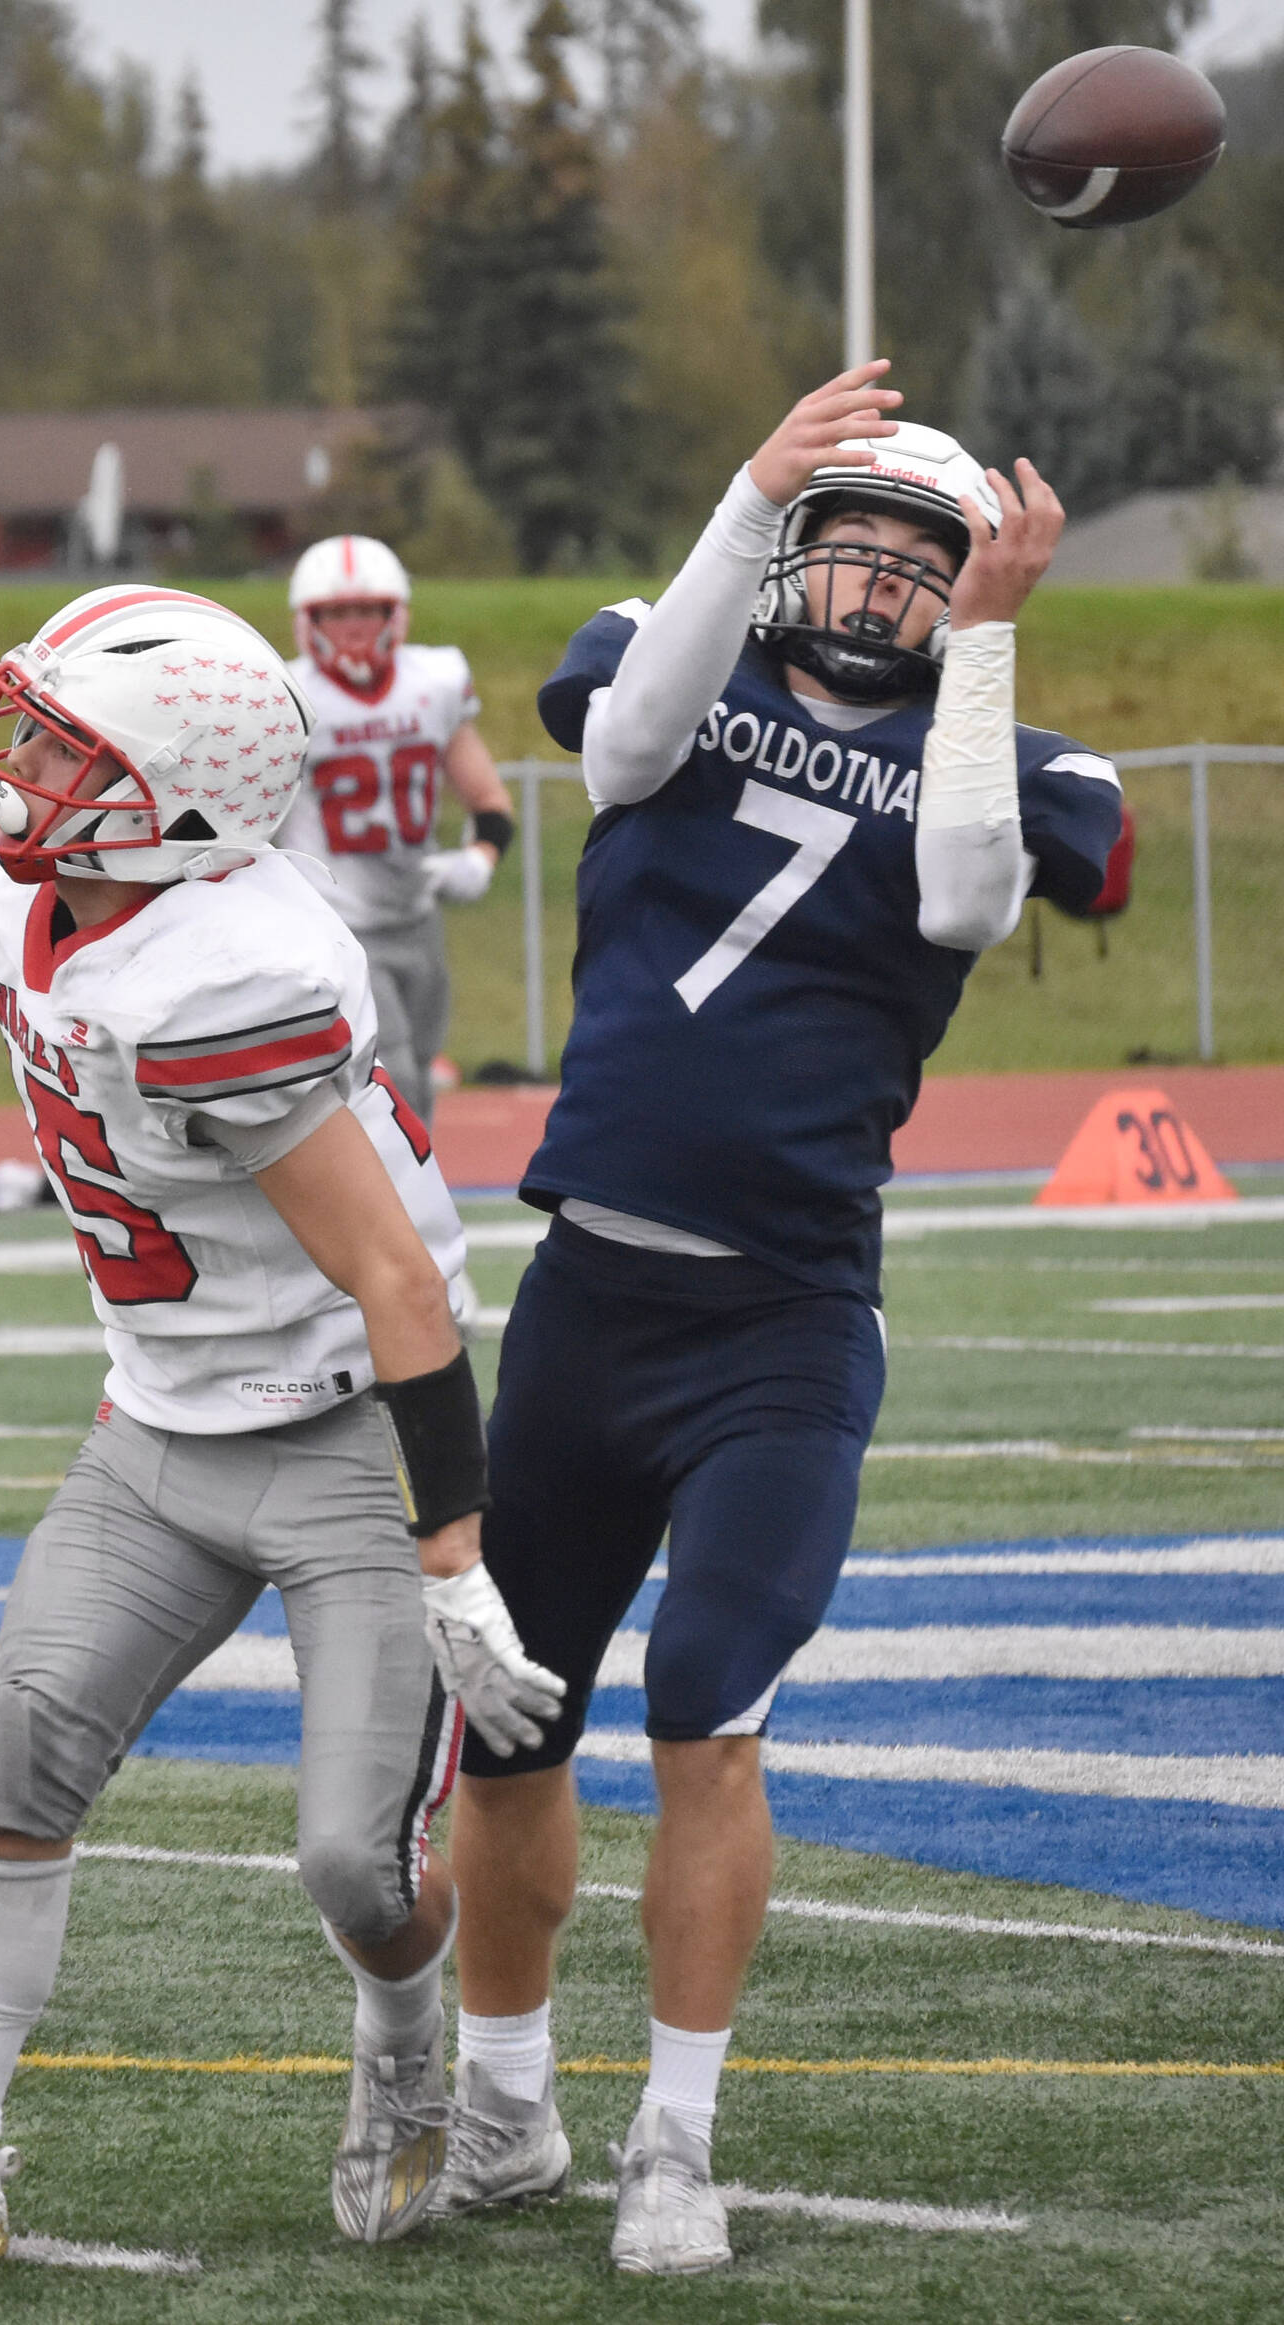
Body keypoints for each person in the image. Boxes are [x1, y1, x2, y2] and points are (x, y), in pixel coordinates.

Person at [0, 584, 563, 2272]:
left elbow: (400, 1290)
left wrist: (455, 1557)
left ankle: (410, 2070)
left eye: (59, 743)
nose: (11, 765)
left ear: (170, 799)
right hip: (161, 1420)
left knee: (354, 1861)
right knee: (12, 1755)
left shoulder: (222, 974)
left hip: (347, 1427)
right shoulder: (33, 883)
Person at [437, 363, 1124, 2272]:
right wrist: (747, 484)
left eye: (927, 561)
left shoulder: (1015, 757)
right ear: (787, 554)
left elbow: (974, 901)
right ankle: (500, 2104)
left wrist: (981, 650)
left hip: (781, 1321)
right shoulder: (663, 666)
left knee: (703, 1710)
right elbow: (630, 741)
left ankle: (673, 2134)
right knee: (501, 1725)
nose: (885, 584)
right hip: (590, 1298)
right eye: (856, 546)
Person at [273, 535, 516, 1123]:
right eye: (337, 612)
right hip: (339, 920)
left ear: (394, 614)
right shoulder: (288, 696)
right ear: (310, 621)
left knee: (422, 1065)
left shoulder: (432, 682)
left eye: (366, 610)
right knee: (394, 1070)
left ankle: (411, 1194)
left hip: (416, 915)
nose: (352, 626)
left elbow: (488, 799)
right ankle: (404, 1202)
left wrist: (480, 858)